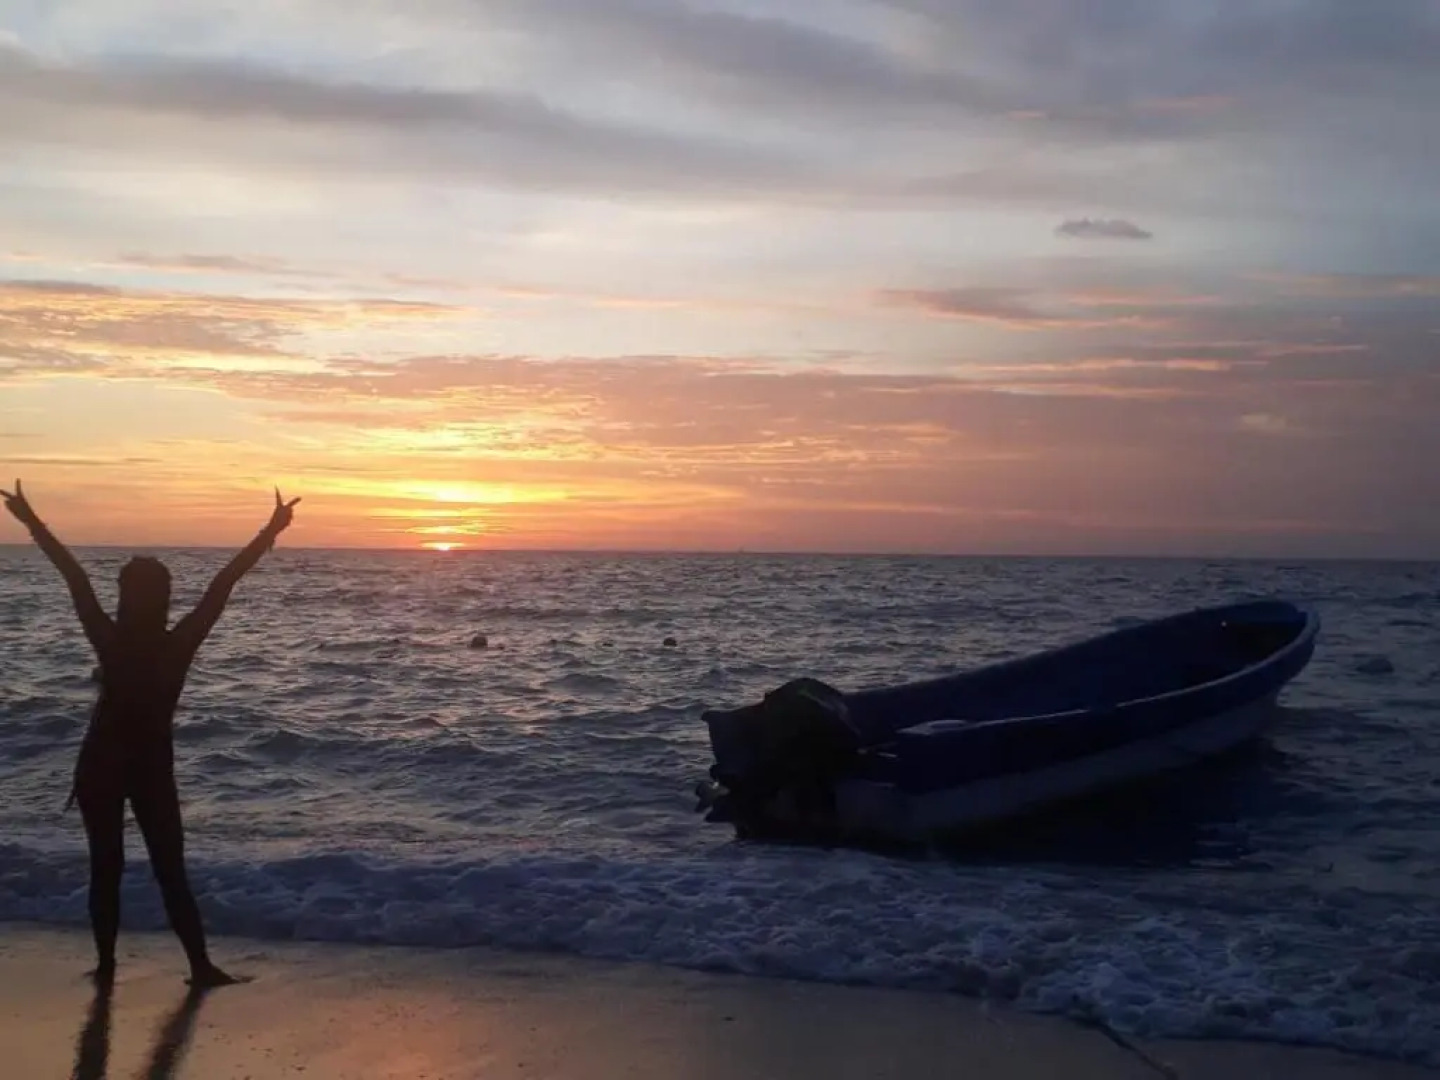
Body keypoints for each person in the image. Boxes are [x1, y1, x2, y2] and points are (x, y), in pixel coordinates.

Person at [2, 481, 300, 986]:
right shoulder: (177, 644)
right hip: (144, 767)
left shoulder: (110, 639)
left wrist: (32, 520)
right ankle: (198, 966)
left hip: (101, 764)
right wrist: (270, 530)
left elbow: (72, 573)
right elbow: (223, 583)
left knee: (108, 867)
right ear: (163, 598)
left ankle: (107, 966)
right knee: (168, 868)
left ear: (123, 598)